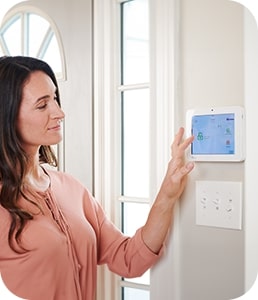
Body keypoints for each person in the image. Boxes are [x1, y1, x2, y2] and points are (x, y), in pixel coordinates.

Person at [0, 56, 194, 300]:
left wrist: (168, 193)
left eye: (55, 99)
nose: (59, 112)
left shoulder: (71, 188)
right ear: (6, 116)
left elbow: (128, 259)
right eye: (42, 105)